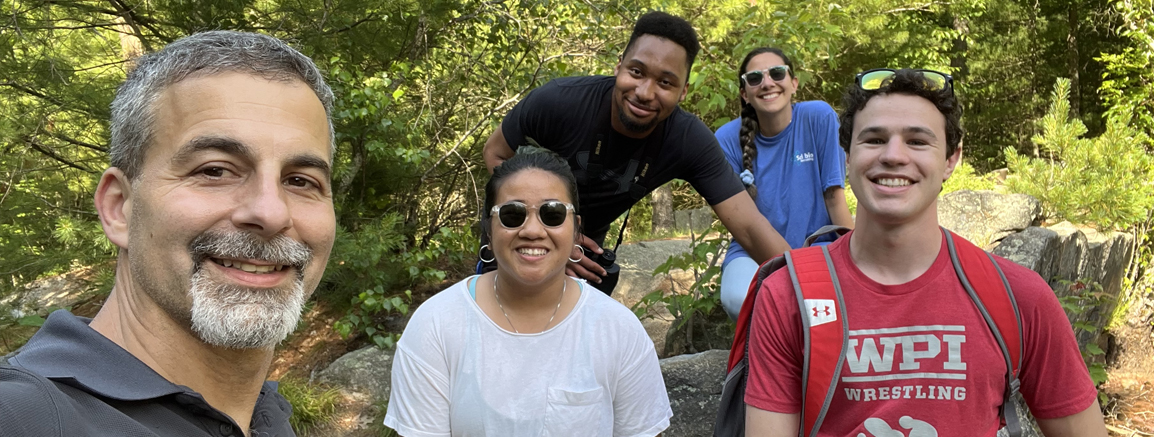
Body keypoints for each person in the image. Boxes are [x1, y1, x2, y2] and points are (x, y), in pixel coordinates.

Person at [0, 31, 337, 437]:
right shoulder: (24, 416)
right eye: (214, 170)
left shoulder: (266, 419)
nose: (270, 212)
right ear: (119, 207)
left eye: (301, 181)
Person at [743, 69, 1107, 437]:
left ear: (952, 159)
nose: (893, 155)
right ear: (847, 156)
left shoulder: (1017, 297)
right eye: (874, 139)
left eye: (917, 141)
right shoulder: (788, 297)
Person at [481, 11, 789, 293]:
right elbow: (495, 153)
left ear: (683, 92)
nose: (644, 92)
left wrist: (813, 284)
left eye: (665, 82)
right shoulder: (560, 102)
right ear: (619, 66)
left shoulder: (688, 141)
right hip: (518, 232)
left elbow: (749, 227)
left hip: (586, 248)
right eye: (637, 71)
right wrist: (551, 231)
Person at [384, 147, 672, 436]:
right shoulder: (437, 325)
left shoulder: (618, 331)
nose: (533, 230)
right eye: (512, 214)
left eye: (553, 214)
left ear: (575, 230)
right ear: (489, 228)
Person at [715, 47, 853, 320]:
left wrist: (858, 261)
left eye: (777, 73)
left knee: (824, 307)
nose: (767, 83)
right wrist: (789, 270)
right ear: (745, 93)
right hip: (753, 251)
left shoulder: (819, 117)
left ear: (794, 83)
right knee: (738, 298)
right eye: (754, 78)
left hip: (819, 247)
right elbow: (745, 224)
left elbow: (835, 198)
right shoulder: (726, 139)